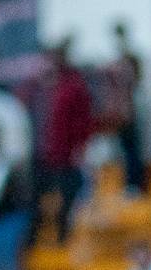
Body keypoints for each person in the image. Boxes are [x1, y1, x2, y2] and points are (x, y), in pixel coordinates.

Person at [35, 37, 93, 243]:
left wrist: (80, 148)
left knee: (69, 199)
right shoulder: (43, 88)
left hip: (67, 156)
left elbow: (83, 121)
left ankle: (65, 240)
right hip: (46, 156)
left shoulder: (73, 87)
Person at [109, 20, 146, 194]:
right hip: (120, 115)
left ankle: (136, 185)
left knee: (133, 151)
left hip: (129, 113)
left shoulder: (130, 60)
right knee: (125, 151)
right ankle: (130, 184)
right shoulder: (117, 62)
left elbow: (137, 82)